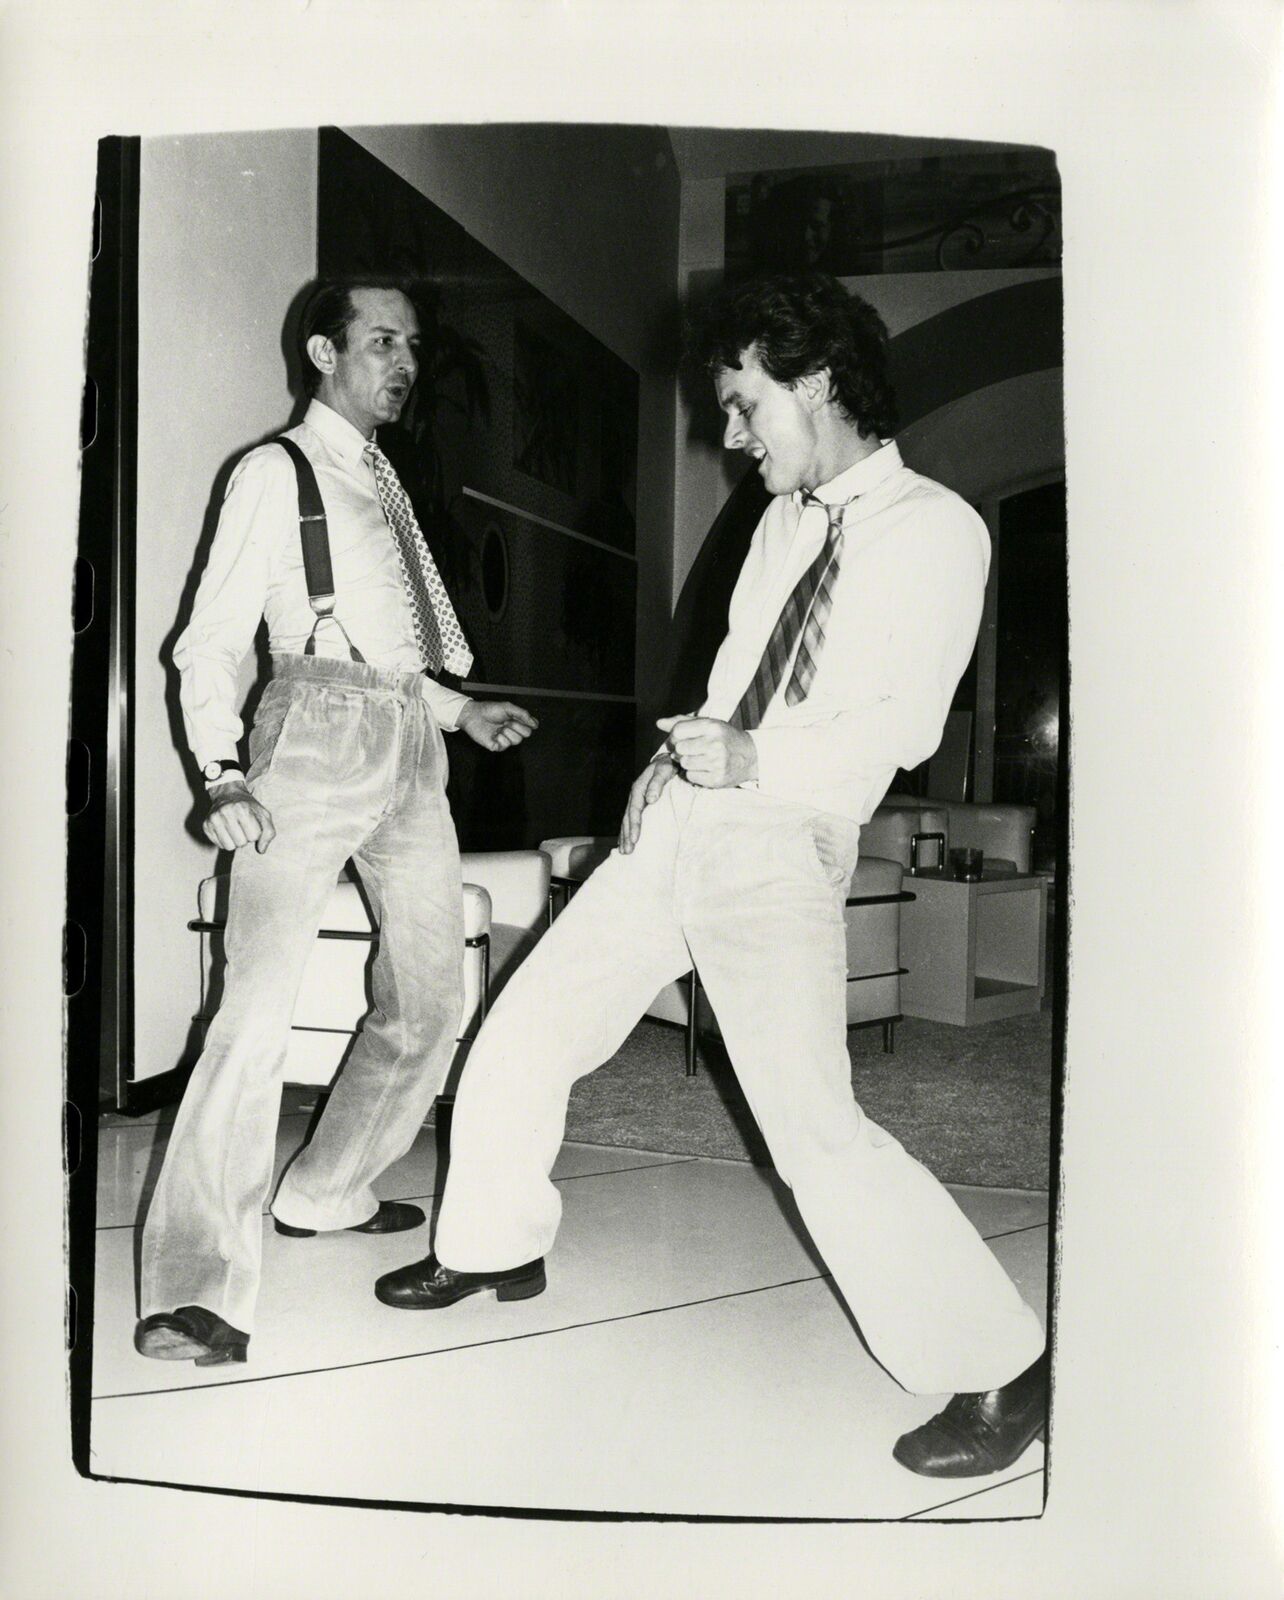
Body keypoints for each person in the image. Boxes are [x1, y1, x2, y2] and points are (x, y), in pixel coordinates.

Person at [374, 273, 1048, 1479]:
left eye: (743, 406)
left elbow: (902, 727)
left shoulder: (941, 527)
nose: (729, 435)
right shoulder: (781, 520)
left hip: (782, 839)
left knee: (812, 1127)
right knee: (524, 1031)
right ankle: (490, 1243)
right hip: (682, 818)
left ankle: (999, 1362)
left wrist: (750, 758)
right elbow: (741, 672)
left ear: (818, 382)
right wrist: (671, 761)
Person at [135, 278, 536, 1367]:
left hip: (412, 744)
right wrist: (221, 773)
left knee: (431, 994)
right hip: (307, 744)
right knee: (253, 1014)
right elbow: (211, 639)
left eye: (412, 344)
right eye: (379, 341)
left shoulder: (382, 481)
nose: (403, 361)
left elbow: (386, 649)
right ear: (322, 350)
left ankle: (325, 1190)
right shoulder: (276, 471)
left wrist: (459, 706)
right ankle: (194, 1287)